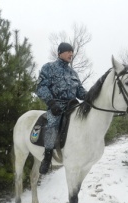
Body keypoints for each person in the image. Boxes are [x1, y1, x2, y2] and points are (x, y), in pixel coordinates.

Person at [36, 42, 87, 174]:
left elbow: (80, 92)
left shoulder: (73, 73)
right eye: (68, 51)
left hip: (72, 105)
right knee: (52, 124)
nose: (71, 54)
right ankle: (47, 158)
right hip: (56, 106)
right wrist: (51, 102)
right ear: (60, 53)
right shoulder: (49, 68)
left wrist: (91, 96)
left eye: (72, 51)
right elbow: (41, 87)